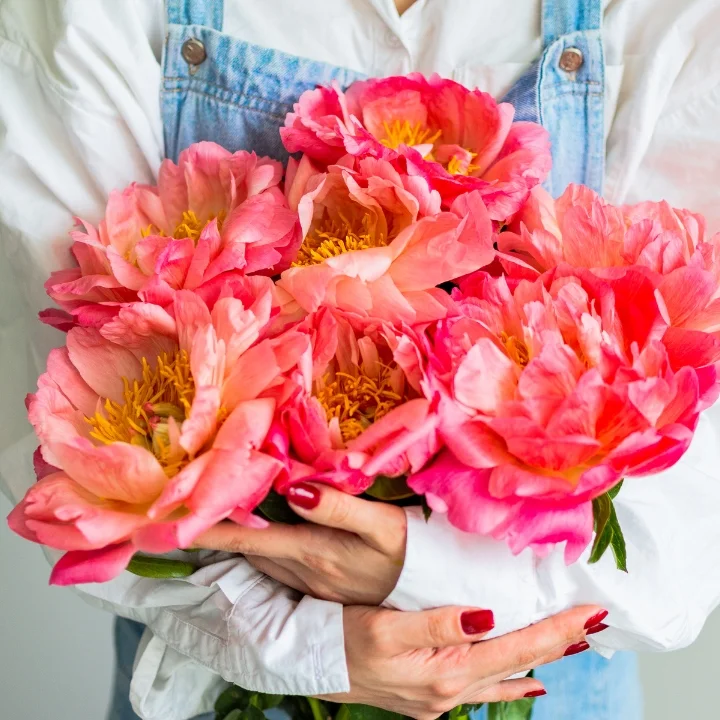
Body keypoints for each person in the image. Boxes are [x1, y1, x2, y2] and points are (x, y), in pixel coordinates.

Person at [1, 1, 719, 719]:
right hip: (211, 683)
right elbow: (56, 428)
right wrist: (298, 644)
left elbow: (693, 515)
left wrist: (428, 577)